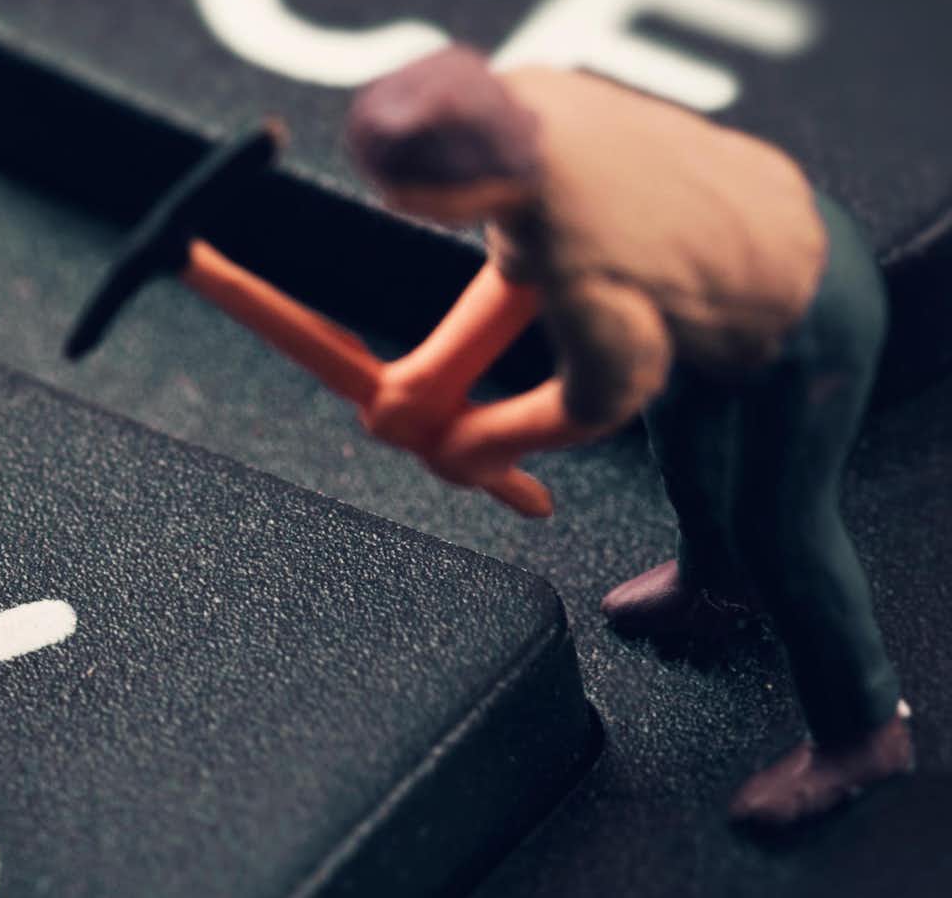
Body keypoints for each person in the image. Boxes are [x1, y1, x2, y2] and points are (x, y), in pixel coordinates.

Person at [349, 47, 910, 830]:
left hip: (805, 310)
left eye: (405, 192)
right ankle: (715, 586)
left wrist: (480, 438)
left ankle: (864, 731)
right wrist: (430, 376)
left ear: (469, 179)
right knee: (682, 440)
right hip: (706, 278)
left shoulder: (592, 259)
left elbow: (600, 394)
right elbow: (518, 263)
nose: (393, 203)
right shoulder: (528, 98)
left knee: (783, 527)